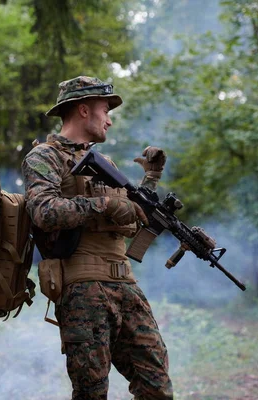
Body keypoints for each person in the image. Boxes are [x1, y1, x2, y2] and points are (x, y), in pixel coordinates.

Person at [22, 76, 173, 399]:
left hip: (125, 286)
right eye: (105, 109)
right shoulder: (44, 157)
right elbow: (44, 212)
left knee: (156, 384)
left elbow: (131, 220)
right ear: (83, 110)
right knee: (91, 391)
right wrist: (105, 205)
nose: (110, 119)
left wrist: (150, 181)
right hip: (83, 289)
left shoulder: (106, 165)